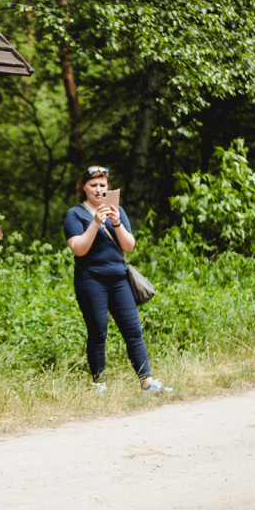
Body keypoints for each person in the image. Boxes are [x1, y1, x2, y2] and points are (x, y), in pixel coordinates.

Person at [63, 166, 170, 395]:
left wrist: (117, 222)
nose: (99, 190)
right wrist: (95, 222)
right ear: (84, 187)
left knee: (133, 331)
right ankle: (99, 385)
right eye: (94, 185)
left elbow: (129, 246)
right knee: (98, 331)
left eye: (103, 185)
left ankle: (147, 382)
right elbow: (79, 249)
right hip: (91, 280)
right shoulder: (75, 214)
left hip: (120, 279)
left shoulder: (117, 210)